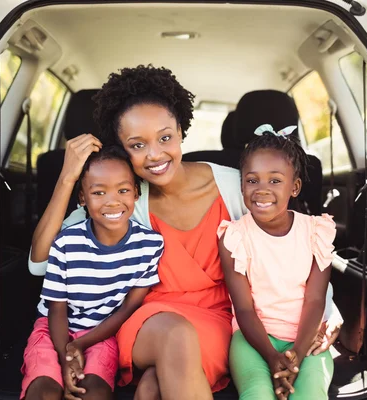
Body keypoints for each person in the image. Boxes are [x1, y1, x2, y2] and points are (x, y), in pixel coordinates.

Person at [29, 65, 342, 400]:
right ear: (121, 148)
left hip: (220, 320)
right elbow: (41, 263)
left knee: (153, 385)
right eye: (137, 145)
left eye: (165, 138)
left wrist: (329, 316)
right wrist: (67, 178)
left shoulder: (234, 185)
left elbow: (293, 252)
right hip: (146, 320)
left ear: (181, 131)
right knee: (175, 336)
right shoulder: (124, 199)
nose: (155, 154)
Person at [21, 146, 164, 400]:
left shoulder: (150, 245)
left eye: (123, 190)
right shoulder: (65, 243)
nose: (112, 201)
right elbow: (56, 310)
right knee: (44, 393)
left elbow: (126, 310)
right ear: (82, 199)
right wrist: (66, 357)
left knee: (94, 394)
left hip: (102, 333)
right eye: (99, 192)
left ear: (136, 193)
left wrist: (81, 345)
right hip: (52, 330)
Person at [218, 124, 336, 400]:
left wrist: (295, 357)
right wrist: (272, 357)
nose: (262, 190)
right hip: (253, 341)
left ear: (294, 187)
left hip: (308, 339)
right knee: (257, 393)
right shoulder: (234, 237)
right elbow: (244, 309)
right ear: (242, 185)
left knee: (310, 394)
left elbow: (315, 300)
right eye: (252, 180)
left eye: (274, 181)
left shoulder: (316, 231)